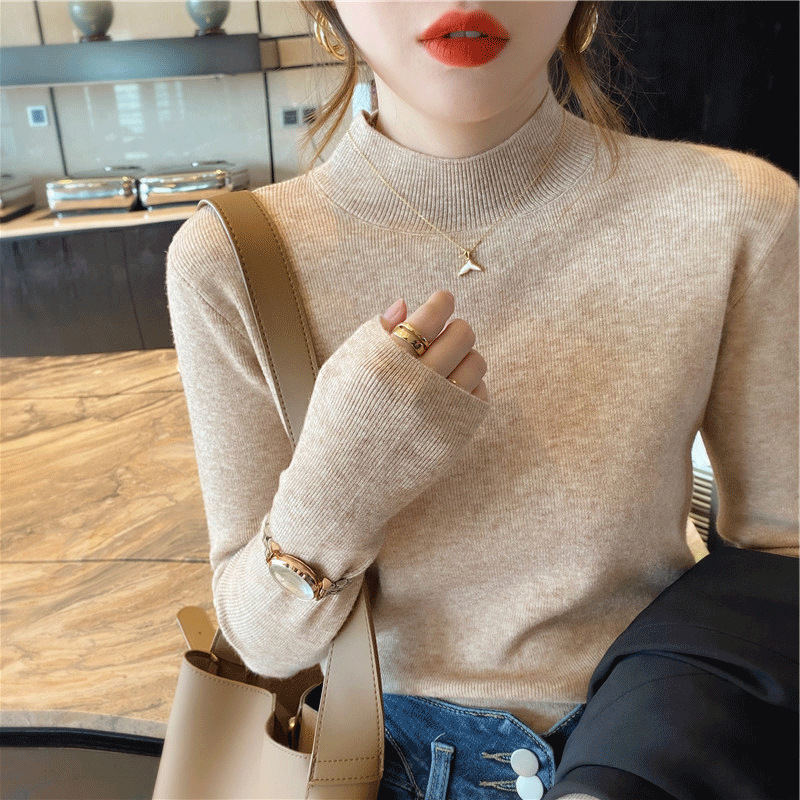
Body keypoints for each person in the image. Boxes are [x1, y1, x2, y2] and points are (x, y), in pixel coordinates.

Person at [164, 2, 798, 798]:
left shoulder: (735, 212)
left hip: (661, 749)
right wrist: (341, 482)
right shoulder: (235, 260)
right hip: (374, 764)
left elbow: (781, 557)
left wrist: (639, 758)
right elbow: (261, 645)